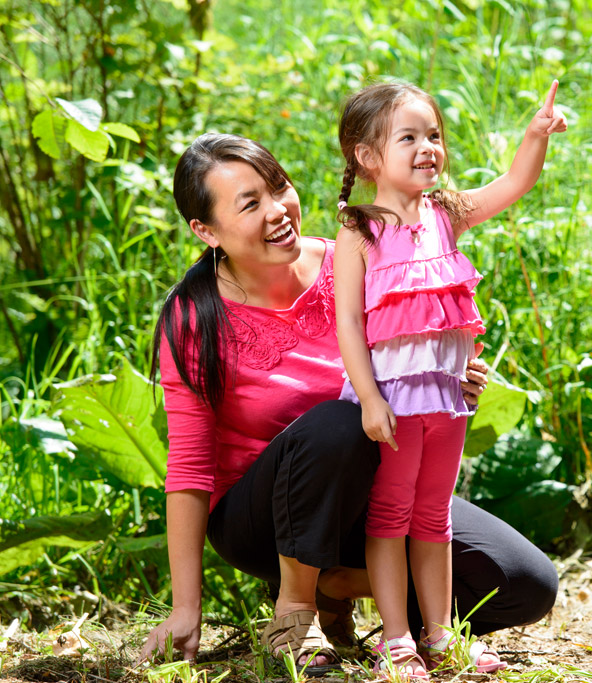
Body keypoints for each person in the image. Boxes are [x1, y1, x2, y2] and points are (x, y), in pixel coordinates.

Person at [138, 133, 559, 672]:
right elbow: (191, 469)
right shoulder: (195, 317)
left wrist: (449, 376)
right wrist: (184, 607)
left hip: (375, 492)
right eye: (250, 203)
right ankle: (294, 610)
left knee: (523, 582)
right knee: (339, 422)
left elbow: (413, 350)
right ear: (206, 230)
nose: (278, 210)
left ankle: (346, 589)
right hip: (260, 521)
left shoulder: (352, 262)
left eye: (278, 187)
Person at [332, 81, 566, 678]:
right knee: (389, 515)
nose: (427, 148)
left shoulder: (447, 213)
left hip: (446, 398)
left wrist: (534, 136)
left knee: (433, 514)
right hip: (392, 402)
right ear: (367, 157)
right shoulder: (358, 231)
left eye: (433, 136)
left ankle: (440, 635)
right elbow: (350, 327)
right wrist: (367, 400)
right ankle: (395, 639)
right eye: (407, 137)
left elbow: (514, 184)